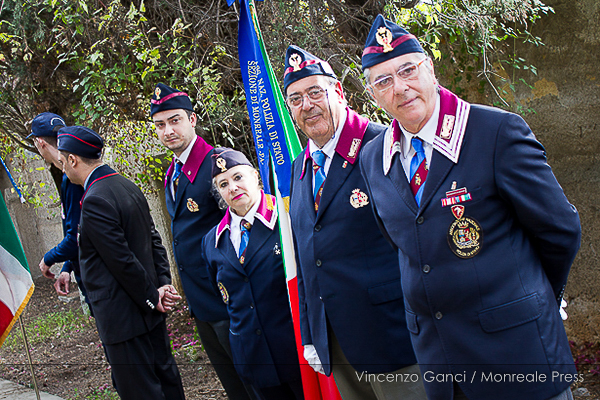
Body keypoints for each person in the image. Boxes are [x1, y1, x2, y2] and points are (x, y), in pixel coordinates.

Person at [359, 15, 582, 400]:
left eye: (408, 70)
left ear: (429, 68)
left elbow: (560, 229)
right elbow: (405, 244)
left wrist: (538, 295)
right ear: (373, 93)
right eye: (384, 81)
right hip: (443, 368)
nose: (400, 88)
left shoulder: (495, 132)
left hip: (517, 355)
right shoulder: (372, 158)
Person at [283, 45, 426, 400]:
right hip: (338, 343)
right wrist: (312, 334)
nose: (306, 105)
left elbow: (419, 239)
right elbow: (306, 256)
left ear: (339, 91)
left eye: (315, 92)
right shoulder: (300, 167)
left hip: (396, 338)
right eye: (296, 99)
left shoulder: (383, 144)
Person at [56, 125, 185, 400]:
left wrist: (153, 296)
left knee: (141, 392)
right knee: (167, 383)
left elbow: (121, 260)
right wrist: (161, 285)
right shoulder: (125, 185)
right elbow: (154, 241)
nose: (62, 168)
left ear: (73, 160)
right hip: (147, 310)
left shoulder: (95, 198)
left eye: (62, 161)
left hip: (125, 319)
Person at [150, 83, 253, 400]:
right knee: (234, 386)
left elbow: (243, 229)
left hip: (228, 299)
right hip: (201, 302)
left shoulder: (216, 165)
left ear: (192, 119)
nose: (168, 131)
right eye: (160, 125)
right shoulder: (173, 171)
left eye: (175, 120)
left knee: (254, 383)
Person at [202, 148, 304, 400]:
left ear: (255, 176)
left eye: (238, 177)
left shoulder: (287, 217)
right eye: (223, 184)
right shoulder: (211, 241)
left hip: (297, 354)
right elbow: (224, 298)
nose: (233, 188)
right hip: (254, 360)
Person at [27, 112, 86, 299]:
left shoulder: (73, 179)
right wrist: (67, 268)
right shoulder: (67, 176)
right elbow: (76, 228)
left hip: (97, 279)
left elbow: (77, 238)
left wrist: (48, 259)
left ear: (40, 142)